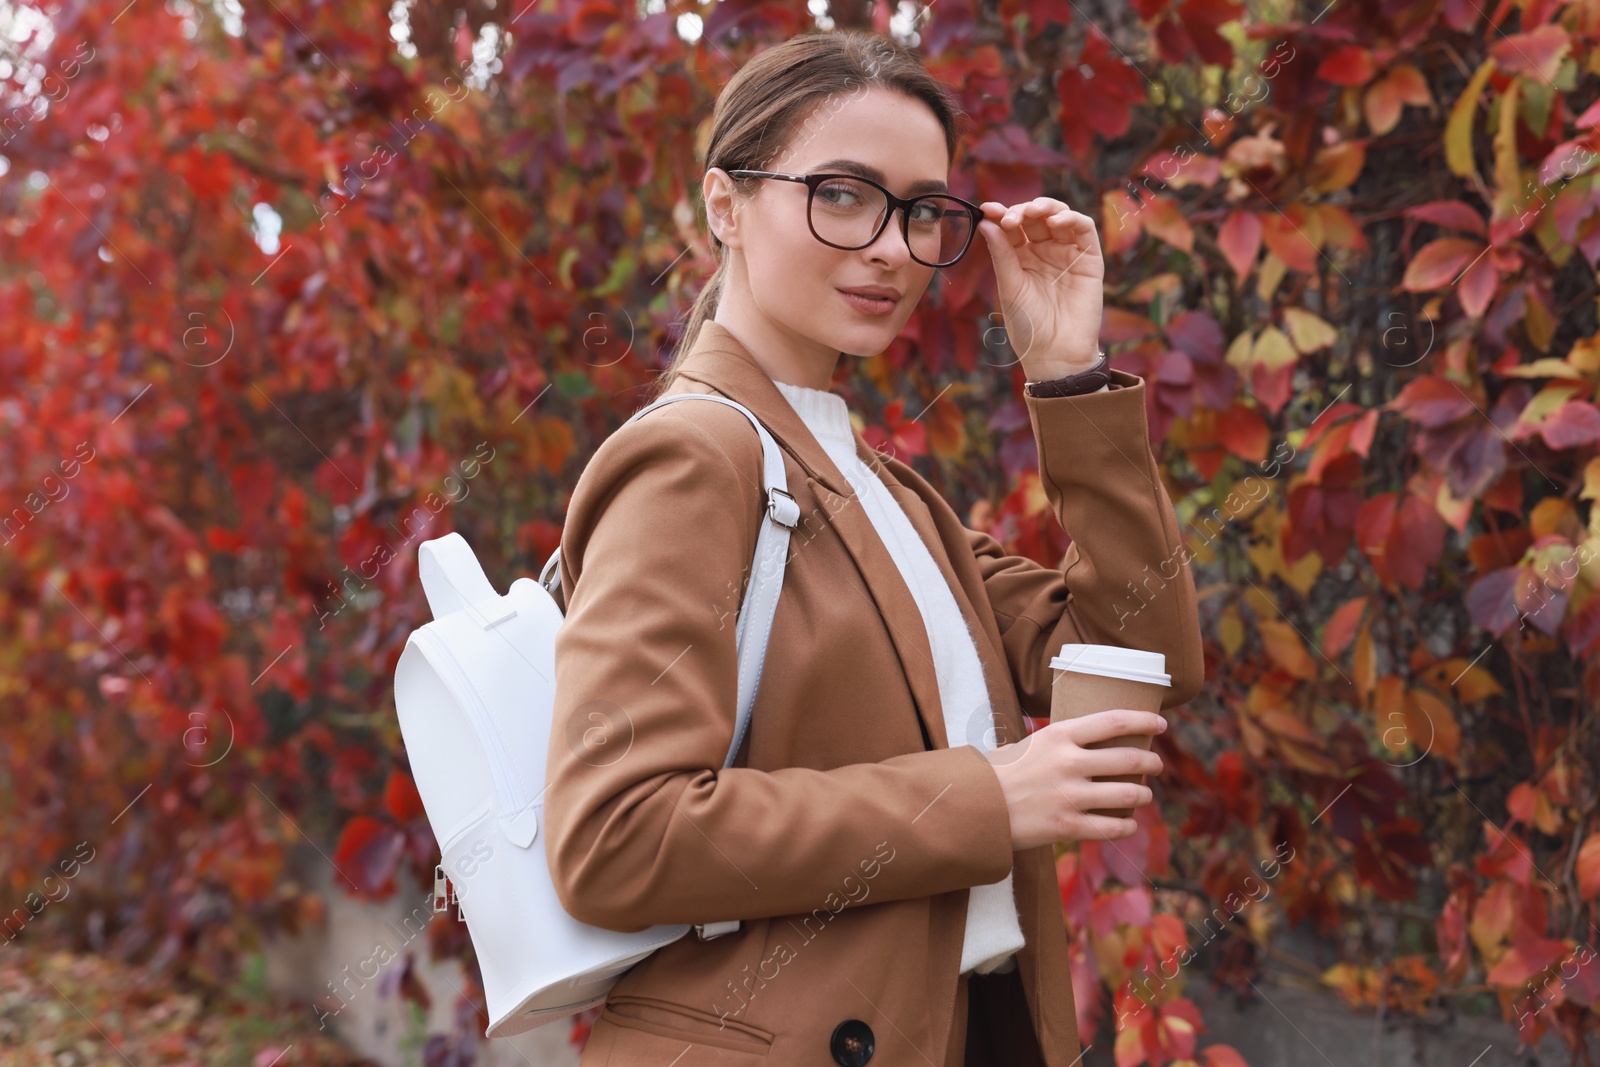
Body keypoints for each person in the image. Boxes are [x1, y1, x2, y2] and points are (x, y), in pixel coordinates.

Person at [542, 27, 1203, 1067]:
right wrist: (987, 793)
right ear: (725, 204)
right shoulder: (695, 456)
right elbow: (619, 835)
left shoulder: (883, 488)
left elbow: (1131, 651)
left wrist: (1069, 376)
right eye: (842, 194)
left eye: (922, 210)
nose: (891, 246)